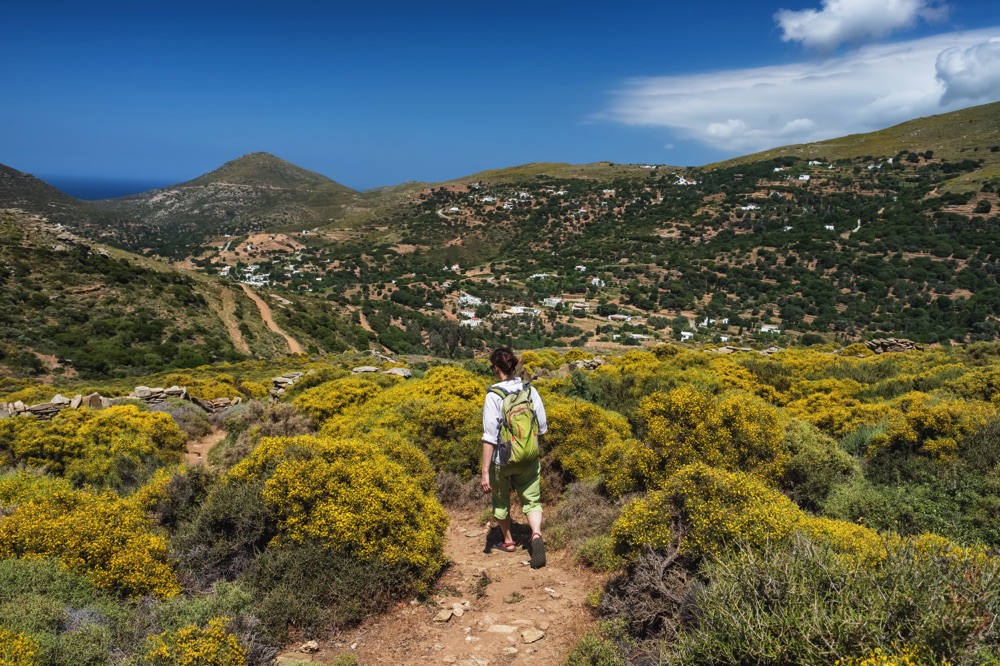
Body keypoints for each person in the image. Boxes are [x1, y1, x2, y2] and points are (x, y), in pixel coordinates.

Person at [481, 346, 548, 568]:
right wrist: (529, 446)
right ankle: (536, 534)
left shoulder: (494, 395)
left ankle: (508, 541)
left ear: (495, 368)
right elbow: (542, 426)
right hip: (529, 457)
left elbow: (489, 437)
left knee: (501, 500)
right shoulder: (529, 390)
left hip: (502, 460)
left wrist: (485, 472)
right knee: (532, 500)